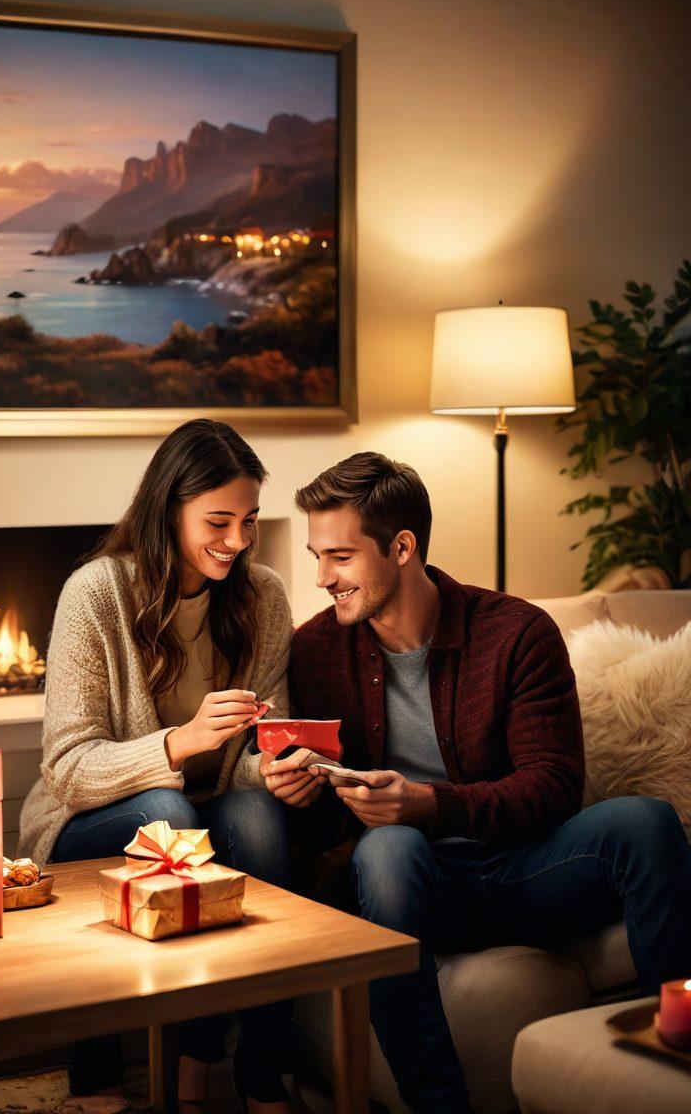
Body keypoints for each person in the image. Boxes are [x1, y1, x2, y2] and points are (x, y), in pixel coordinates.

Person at [286, 451, 691, 1114]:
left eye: (340, 557)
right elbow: (326, 830)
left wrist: (429, 803)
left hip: (522, 870)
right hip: (413, 889)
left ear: (402, 546)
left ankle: (678, 1053)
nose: (324, 578)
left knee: (644, 823)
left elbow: (554, 785)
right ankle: (439, 1106)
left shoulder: (516, 632)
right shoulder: (316, 650)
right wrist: (301, 798)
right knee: (388, 849)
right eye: (318, 556)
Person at [18, 420, 297, 1114]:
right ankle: (99, 1079)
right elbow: (68, 768)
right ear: (168, 508)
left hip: (211, 806)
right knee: (169, 819)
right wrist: (181, 742)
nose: (238, 540)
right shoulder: (97, 593)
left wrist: (285, 771)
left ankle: (246, 1074)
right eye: (219, 521)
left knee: (259, 821)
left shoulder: (263, 599)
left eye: (251, 521)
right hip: (88, 816)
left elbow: (257, 755)